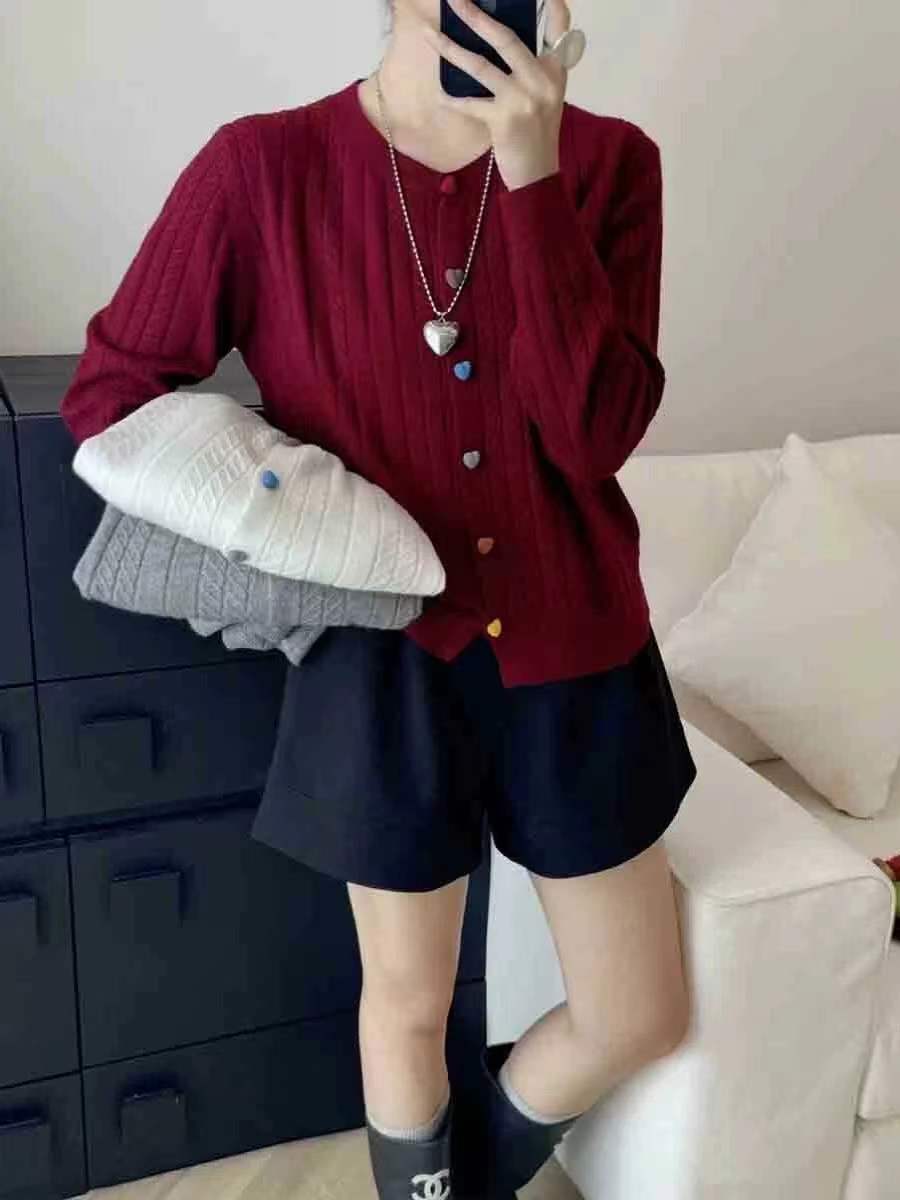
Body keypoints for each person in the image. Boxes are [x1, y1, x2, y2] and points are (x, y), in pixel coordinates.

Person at [59, 0, 699, 1196]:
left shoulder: (612, 165)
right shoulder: (263, 168)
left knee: (638, 1010)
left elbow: (593, 435)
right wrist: (284, 512)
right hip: (380, 664)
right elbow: (114, 393)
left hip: (580, 654)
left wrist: (532, 179)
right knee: (406, 1004)